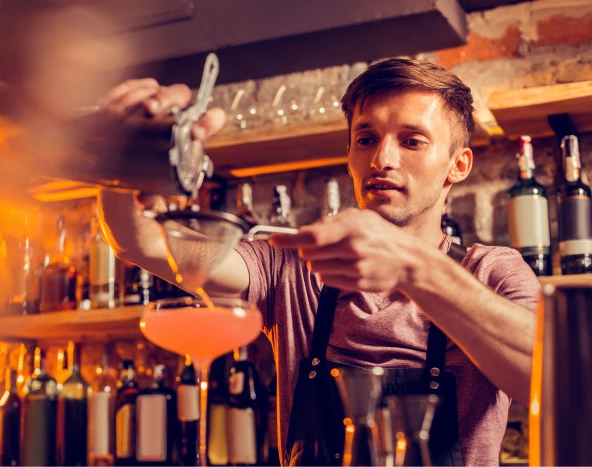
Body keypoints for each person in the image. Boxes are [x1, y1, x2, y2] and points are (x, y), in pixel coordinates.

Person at [97, 59, 539, 467]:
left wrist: (414, 268)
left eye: (412, 141)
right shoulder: (291, 267)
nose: (382, 159)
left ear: (457, 165)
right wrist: (122, 162)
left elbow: (551, 381)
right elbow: (143, 244)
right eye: (366, 139)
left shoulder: (494, 272)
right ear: (349, 156)